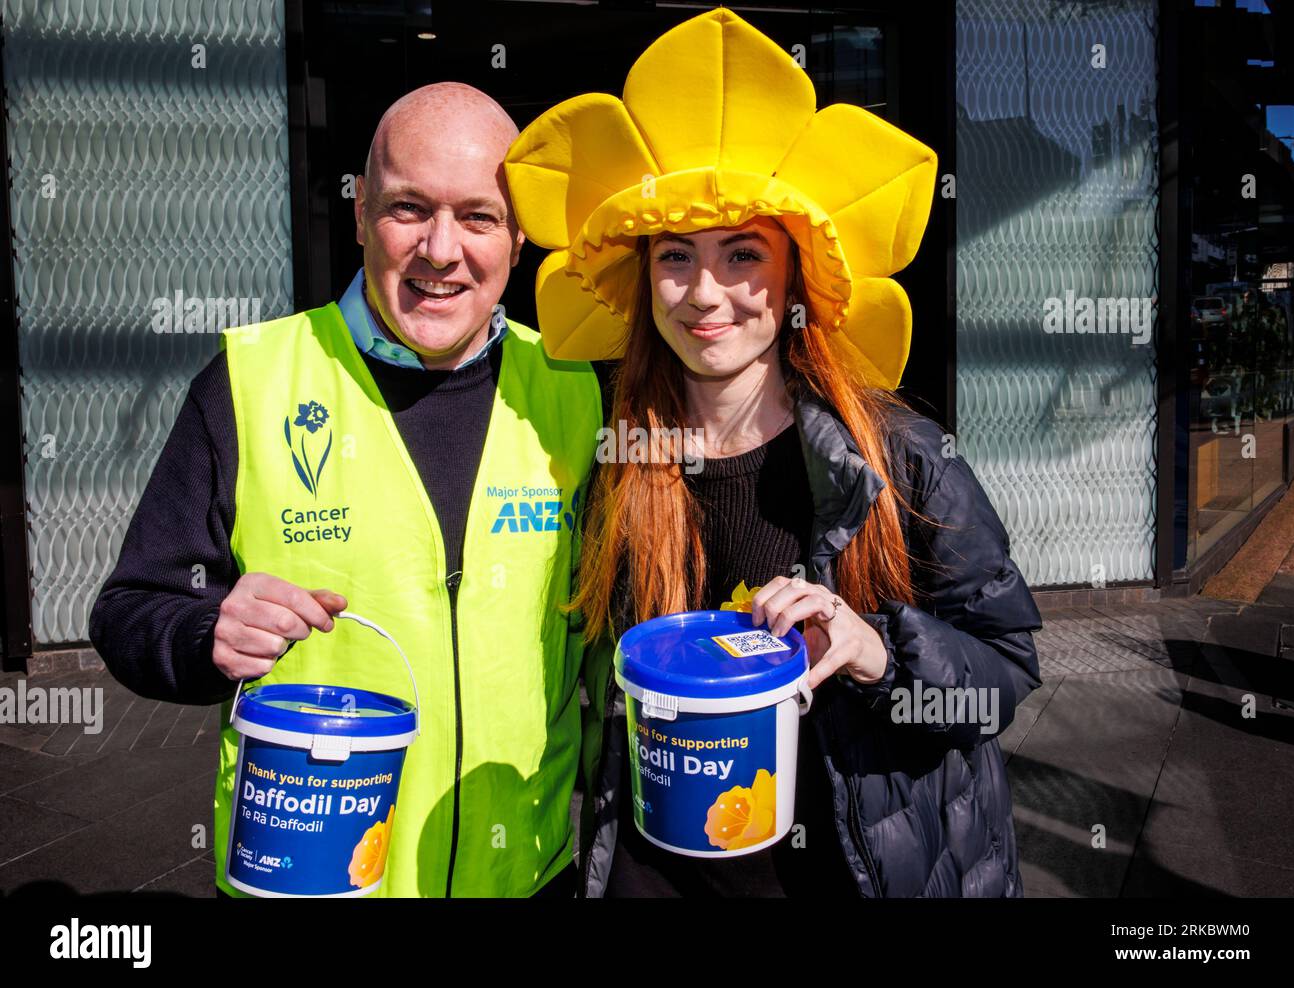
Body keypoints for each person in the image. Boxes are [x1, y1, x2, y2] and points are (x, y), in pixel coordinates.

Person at [505, 7, 1043, 896]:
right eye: (675, 255)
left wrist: (877, 653)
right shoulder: (608, 456)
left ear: (793, 273)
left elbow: (1000, 685)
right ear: (643, 278)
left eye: (742, 254)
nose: (706, 294)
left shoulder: (898, 456)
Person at [90, 83, 603, 897]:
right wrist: (205, 632)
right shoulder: (249, 382)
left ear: (517, 235)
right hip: (313, 880)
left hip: (527, 874)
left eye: (477, 216)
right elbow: (127, 611)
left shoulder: (576, 390)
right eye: (409, 209)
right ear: (361, 211)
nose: (441, 250)